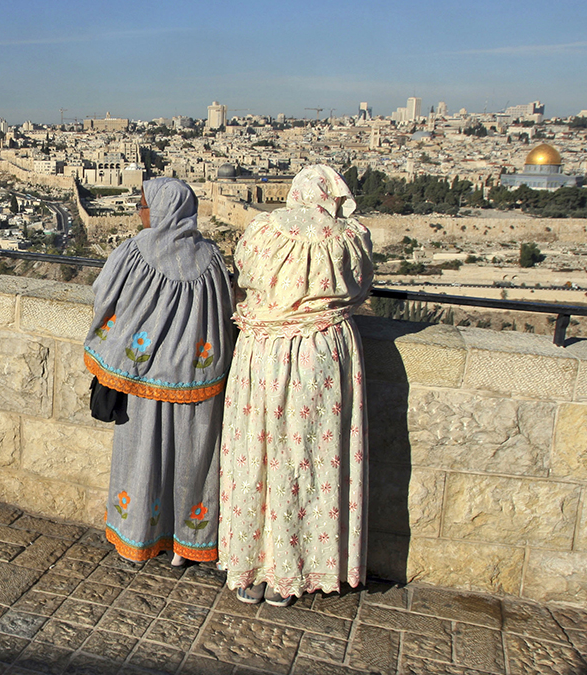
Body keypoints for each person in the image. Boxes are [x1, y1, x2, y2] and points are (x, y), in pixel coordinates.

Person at [218, 165, 374, 607]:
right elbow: (360, 287)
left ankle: (252, 566)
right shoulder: (350, 236)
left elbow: (246, 273)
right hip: (322, 353)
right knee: (309, 458)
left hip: (262, 352)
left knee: (257, 456)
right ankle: (297, 569)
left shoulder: (265, 229)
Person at [84, 177, 234, 566]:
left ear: (162, 208)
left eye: (143, 204)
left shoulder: (134, 252)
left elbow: (104, 295)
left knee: (141, 458)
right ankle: (187, 544)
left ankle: (139, 537)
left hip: (143, 381)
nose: (139, 211)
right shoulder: (213, 259)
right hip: (195, 382)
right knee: (192, 462)